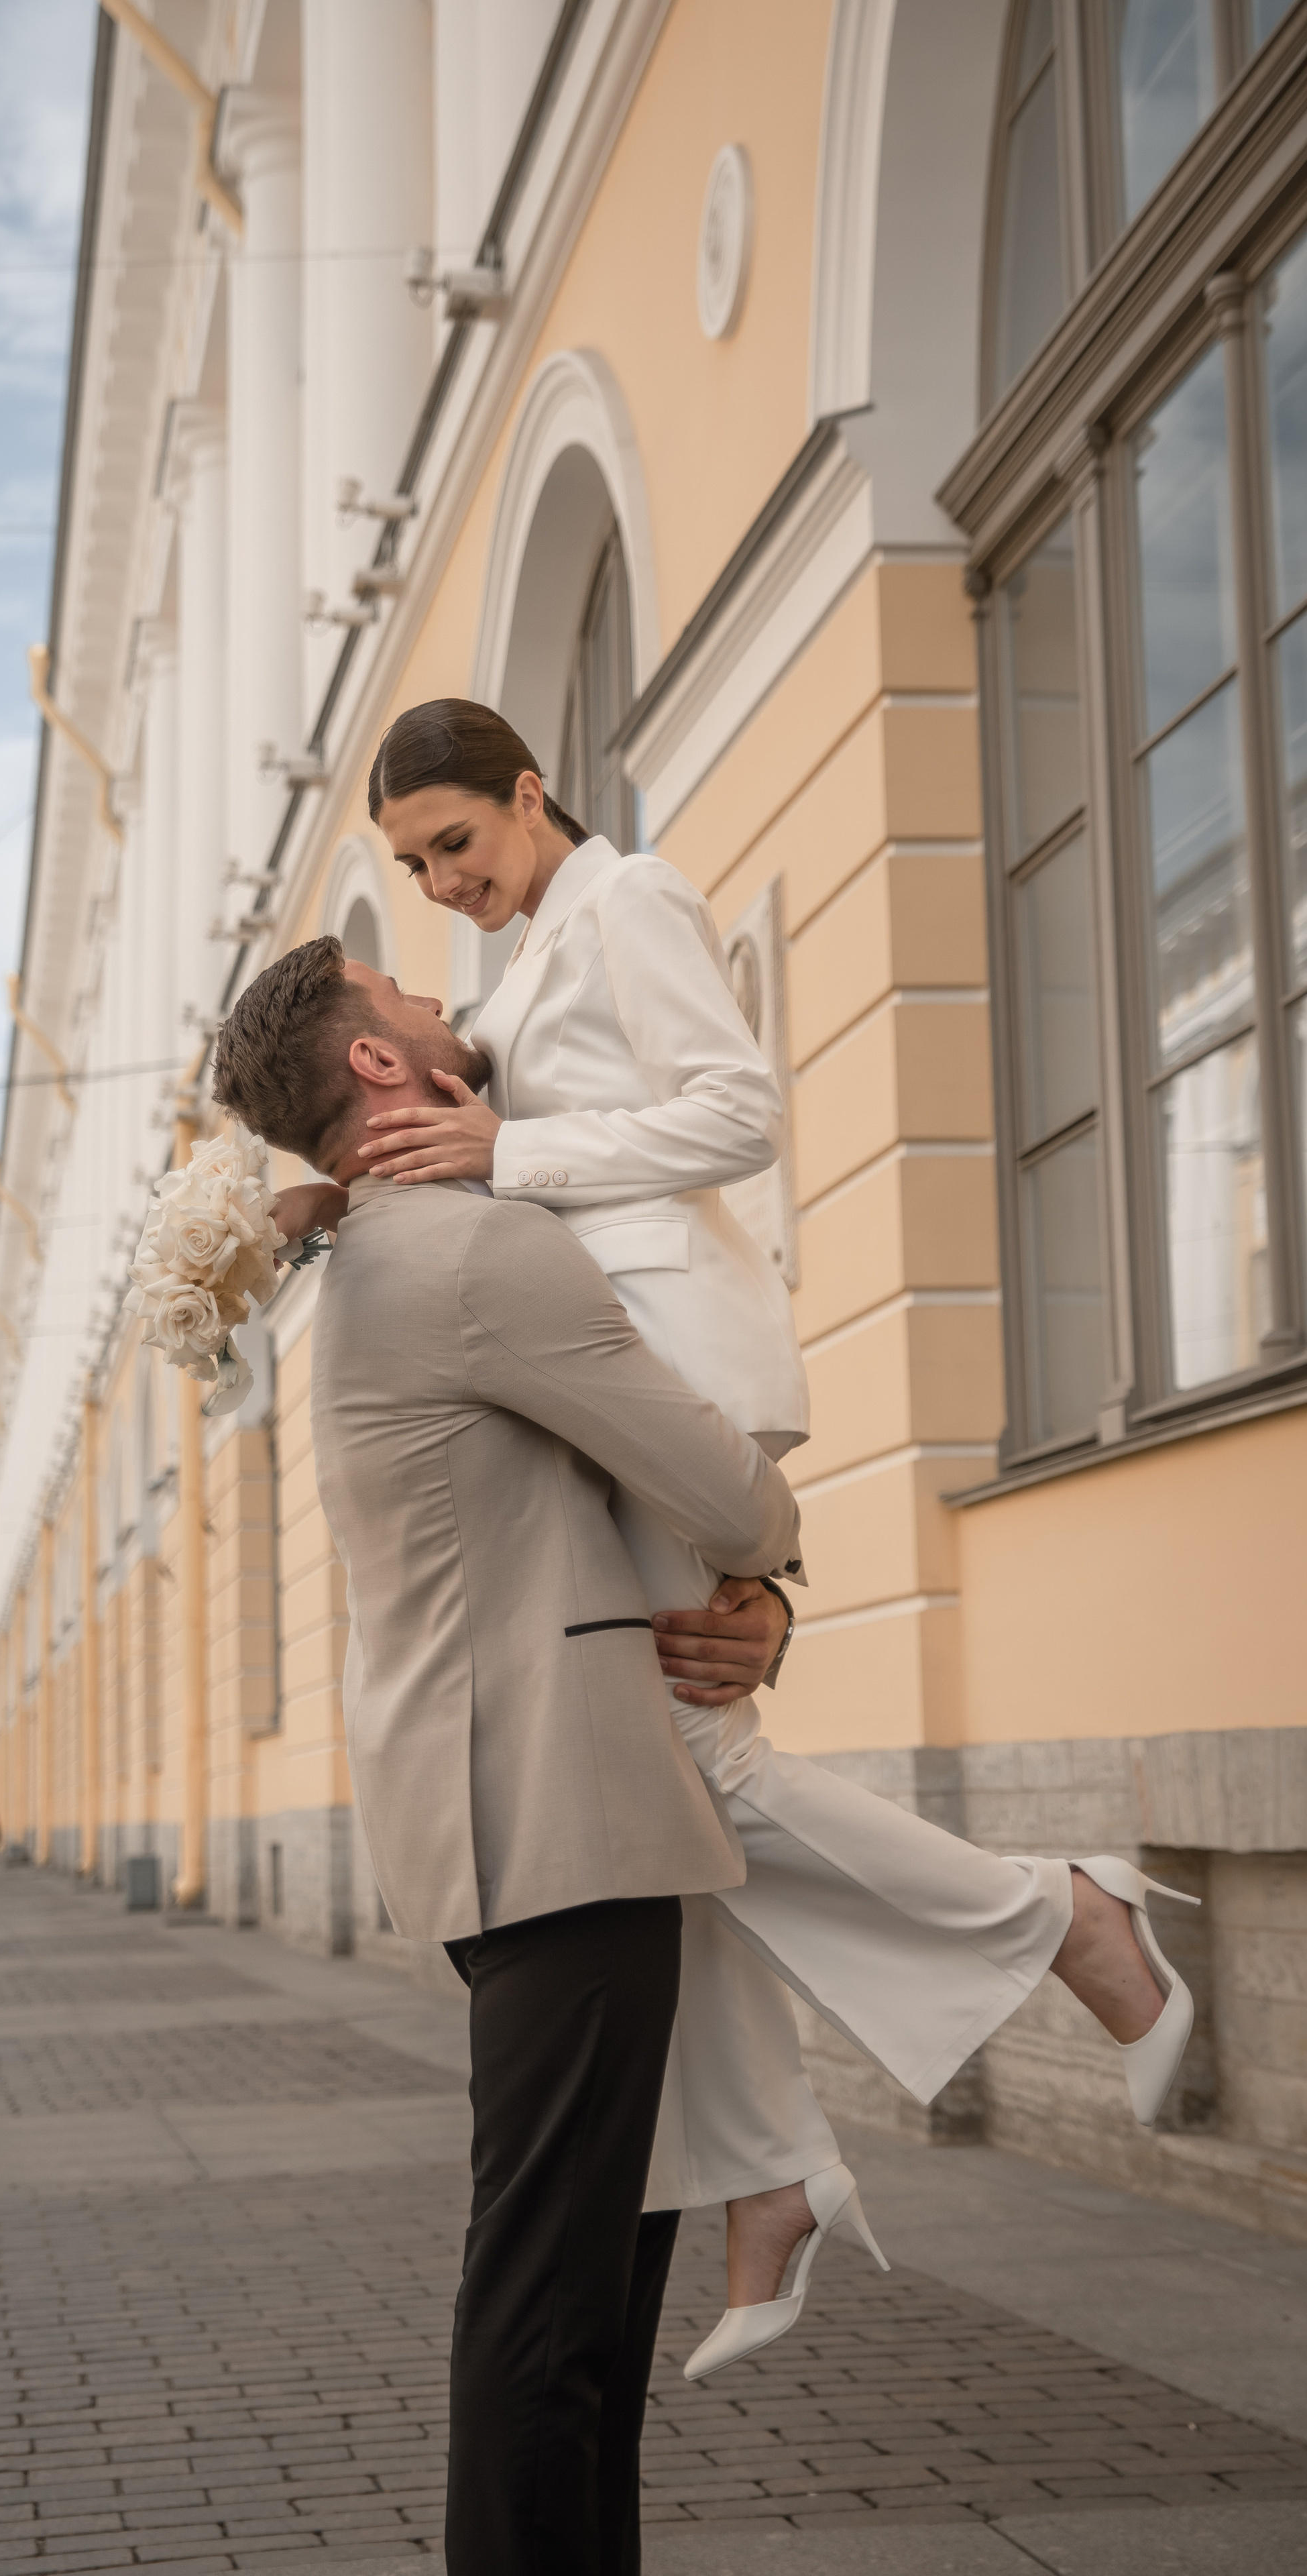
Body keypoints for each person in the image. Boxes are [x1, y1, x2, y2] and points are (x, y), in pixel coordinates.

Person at [275, 698, 1198, 2379]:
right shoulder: (529, 954)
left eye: (455, 845)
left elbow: (738, 1109)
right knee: (664, 1793)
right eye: (412, 866)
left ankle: (1051, 1917)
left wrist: (512, 1145)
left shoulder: (626, 901)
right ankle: (772, 2163)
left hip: (670, 1354)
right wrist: (309, 1190)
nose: (439, 884)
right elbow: (421, 1104)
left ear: (528, 793)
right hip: (603, 1373)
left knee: (687, 1772)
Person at [213, 939, 803, 2575]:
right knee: (556, 2301)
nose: (427, 984)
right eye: (394, 987)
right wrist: (770, 1552)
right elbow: (725, 1491)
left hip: (519, 1806)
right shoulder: (475, 1253)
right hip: (558, 1812)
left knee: (589, 2297)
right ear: (380, 1071)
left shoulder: (376, 1253)